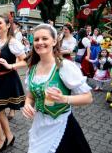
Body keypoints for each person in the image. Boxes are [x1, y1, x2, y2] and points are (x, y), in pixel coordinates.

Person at [22, 23, 93, 153]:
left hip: (62, 124)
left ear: (54, 41)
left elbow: (88, 98)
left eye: (45, 38)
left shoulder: (64, 66)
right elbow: (30, 96)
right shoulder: (32, 68)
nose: (40, 42)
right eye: (36, 39)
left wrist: (64, 98)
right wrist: (27, 105)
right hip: (40, 123)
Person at [0, 14, 26, 152]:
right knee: (0, 111)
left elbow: (25, 61)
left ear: (8, 25)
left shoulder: (13, 42)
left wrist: (10, 65)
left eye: (0, 22)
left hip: (7, 80)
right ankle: (9, 136)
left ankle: (1, 138)